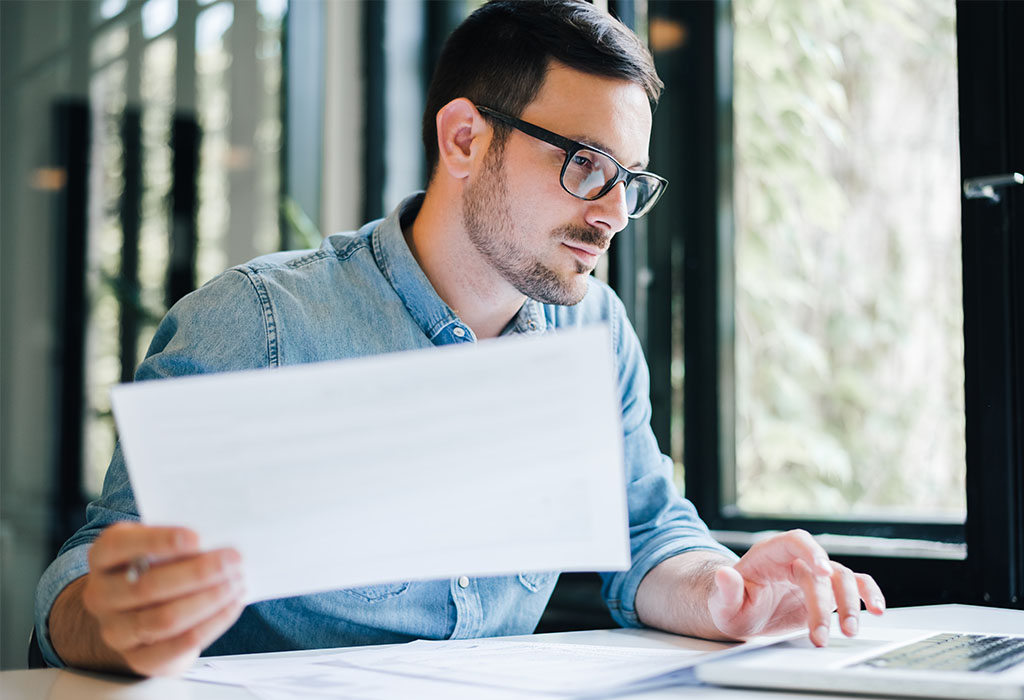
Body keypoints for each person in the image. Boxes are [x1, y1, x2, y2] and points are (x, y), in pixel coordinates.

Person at [35, 0, 885, 678]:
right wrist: (111, 620)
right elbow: (86, 580)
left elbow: (645, 534)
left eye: (631, 181)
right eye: (586, 163)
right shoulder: (259, 323)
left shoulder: (594, 329)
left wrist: (726, 591)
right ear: (465, 139)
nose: (615, 212)